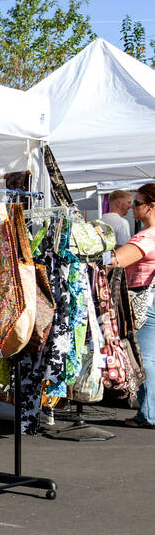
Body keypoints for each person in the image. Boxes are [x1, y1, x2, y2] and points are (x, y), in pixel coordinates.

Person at [109, 183, 155, 427]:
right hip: (150, 296)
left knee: (145, 357)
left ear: (151, 206)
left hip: (144, 298)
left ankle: (149, 414)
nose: (133, 208)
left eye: (137, 203)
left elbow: (116, 261)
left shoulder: (147, 236)